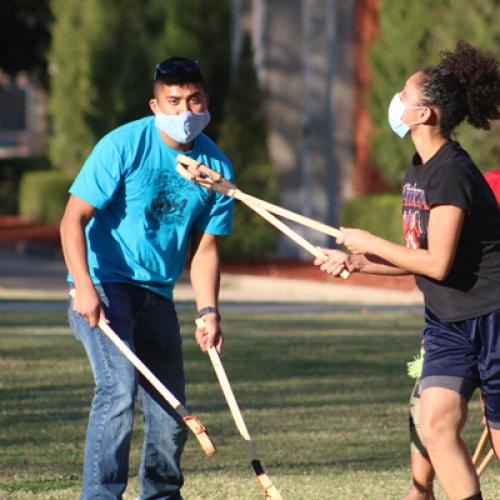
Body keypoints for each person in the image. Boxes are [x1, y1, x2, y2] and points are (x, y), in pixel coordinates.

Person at [315, 40, 500, 500]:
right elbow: (418, 255)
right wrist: (358, 262)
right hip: (447, 322)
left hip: (493, 318)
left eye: (404, 94)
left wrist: (370, 240)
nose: (394, 102)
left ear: (424, 115)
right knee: (435, 423)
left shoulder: (452, 172)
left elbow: (435, 263)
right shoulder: (418, 168)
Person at [60, 57, 234, 499]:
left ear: (205, 101)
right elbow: (72, 219)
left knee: (169, 409)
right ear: (155, 105)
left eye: (193, 100)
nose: (185, 112)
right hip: (104, 284)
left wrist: (208, 311)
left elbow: (206, 250)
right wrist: (83, 287)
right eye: (173, 102)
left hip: (157, 294)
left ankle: (160, 494)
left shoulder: (217, 168)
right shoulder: (122, 145)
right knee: (118, 392)